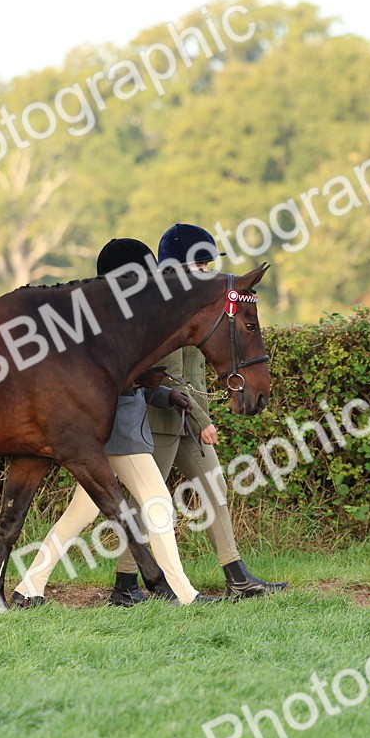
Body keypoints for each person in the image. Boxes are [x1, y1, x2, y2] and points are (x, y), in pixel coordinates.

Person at [11, 238, 216, 608]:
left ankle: (29, 587)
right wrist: (141, 380)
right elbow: (102, 377)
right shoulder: (113, 318)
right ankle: (183, 595)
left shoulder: (106, 313)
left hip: (117, 425)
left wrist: (158, 388)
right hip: (119, 429)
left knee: (79, 514)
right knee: (158, 503)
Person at [108, 223, 287, 605]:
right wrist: (202, 420)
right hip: (159, 423)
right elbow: (157, 378)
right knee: (146, 504)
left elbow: (194, 375)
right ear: (180, 267)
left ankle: (236, 576)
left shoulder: (200, 309)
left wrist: (203, 417)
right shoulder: (160, 310)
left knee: (214, 487)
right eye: (203, 265)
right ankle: (125, 584)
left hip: (188, 422)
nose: (209, 271)